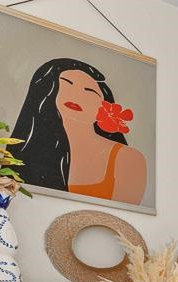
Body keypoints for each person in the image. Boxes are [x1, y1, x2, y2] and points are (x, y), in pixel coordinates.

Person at [10, 58, 146, 205]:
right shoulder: (27, 152)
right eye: (67, 83)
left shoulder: (128, 159)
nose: (76, 95)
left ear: (105, 107)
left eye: (89, 91)